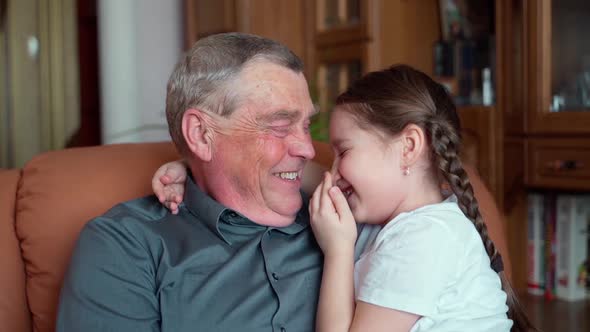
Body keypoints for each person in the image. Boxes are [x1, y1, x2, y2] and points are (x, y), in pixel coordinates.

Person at [155, 65, 536, 331]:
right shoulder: (396, 215)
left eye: (344, 151)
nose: (333, 171)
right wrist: (192, 167)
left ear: (409, 147)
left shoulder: (423, 239)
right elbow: (295, 173)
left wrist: (338, 250)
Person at [57, 32, 381, 332]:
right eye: (280, 126)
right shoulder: (126, 245)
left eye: (306, 125)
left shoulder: (348, 214)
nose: (307, 148)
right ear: (201, 134)